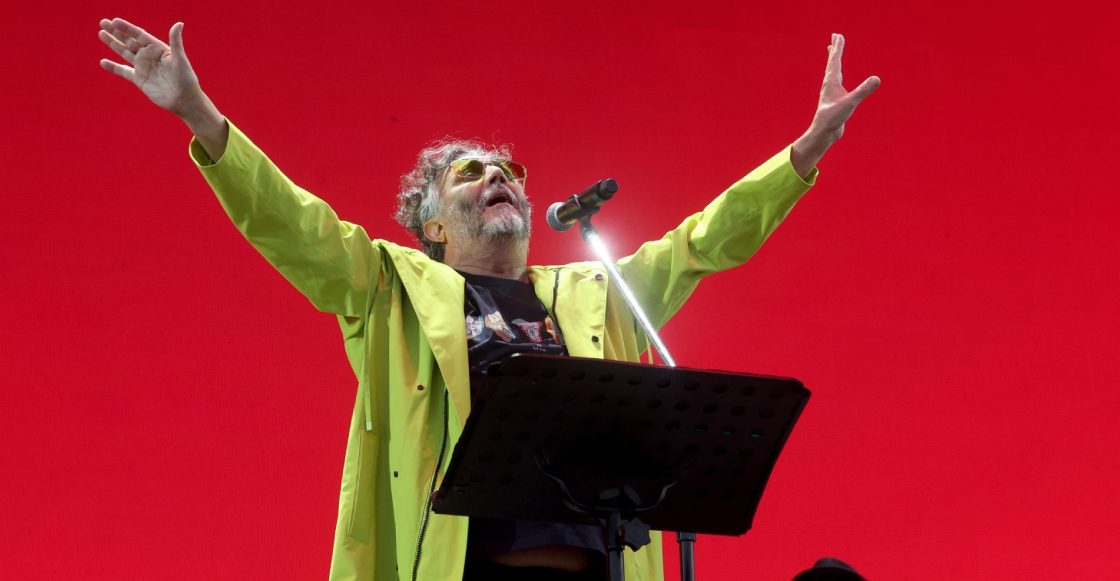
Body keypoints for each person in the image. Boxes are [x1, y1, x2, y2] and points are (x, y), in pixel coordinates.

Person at [98, 17, 879, 581]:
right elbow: (292, 225)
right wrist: (200, 116)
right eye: (469, 173)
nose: (497, 175)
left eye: (507, 170)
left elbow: (703, 242)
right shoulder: (388, 283)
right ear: (432, 225)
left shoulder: (597, 292)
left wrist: (803, 153)